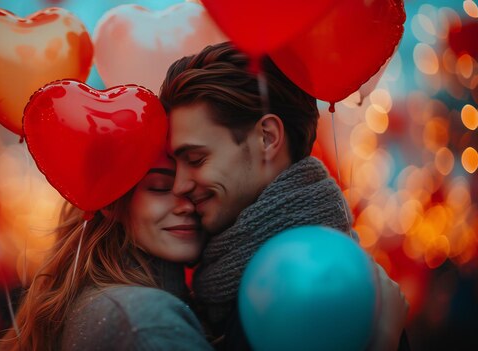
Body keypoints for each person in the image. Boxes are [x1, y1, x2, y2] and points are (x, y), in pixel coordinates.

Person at [160, 42, 409, 350]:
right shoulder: (245, 273)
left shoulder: (310, 288)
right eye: (175, 165)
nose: (179, 185)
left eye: (196, 159)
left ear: (267, 138)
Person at [0, 149, 213, 351]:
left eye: (195, 189)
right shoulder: (145, 320)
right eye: (160, 187)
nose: (187, 205)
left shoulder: (97, 302)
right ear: (111, 202)